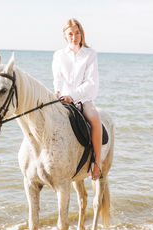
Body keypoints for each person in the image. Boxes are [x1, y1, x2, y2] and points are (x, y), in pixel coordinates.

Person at [52, 18, 103, 180]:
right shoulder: (59, 55)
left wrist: (72, 96)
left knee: (95, 118)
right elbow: (57, 78)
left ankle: (97, 162)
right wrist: (58, 92)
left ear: (81, 34)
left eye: (77, 33)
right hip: (63, 99)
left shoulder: (90, 55)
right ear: (65, 36)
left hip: (83, 99)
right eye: (71, 34)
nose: (74, 36)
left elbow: (90, 82)